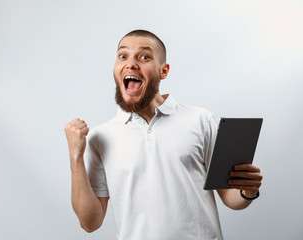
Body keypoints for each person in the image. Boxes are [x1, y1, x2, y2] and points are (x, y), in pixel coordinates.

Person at [64, 30, 263, 240]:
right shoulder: (100, 137)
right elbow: (90, 223)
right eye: (123, 56)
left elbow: (231, 198)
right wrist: (75, 157)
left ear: (163, 71)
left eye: (144, 57)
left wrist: (247, 191)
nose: (131, 64)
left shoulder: (200, 120)